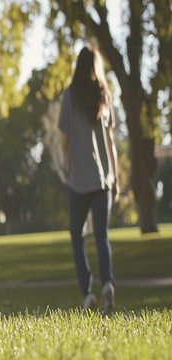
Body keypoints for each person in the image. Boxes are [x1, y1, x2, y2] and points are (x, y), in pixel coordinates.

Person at [58, 44, 119, 315]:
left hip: (77, 181)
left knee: (77, 237)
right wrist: (114, 177)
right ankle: (107, 284)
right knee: (101, 235)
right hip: (102, 179)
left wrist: (67, 163)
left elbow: (64, 141)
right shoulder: (103, 95)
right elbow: (111, 143)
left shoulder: (69, 97)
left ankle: (87, 294)